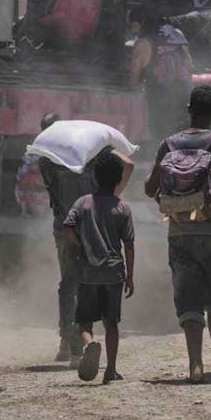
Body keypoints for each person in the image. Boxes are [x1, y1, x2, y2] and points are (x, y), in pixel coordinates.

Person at [144, 86, 211, 383]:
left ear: (189, 109)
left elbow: (151, 189)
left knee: (187, 296)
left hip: (179, 232)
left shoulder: (168, 144)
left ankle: (195, 365)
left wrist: (176, 203)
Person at [38, 113, 135, 365]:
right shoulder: (89, 156)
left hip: (64, 228)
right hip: (94, 225)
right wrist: (113, 196)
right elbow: (128, 163)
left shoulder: (45, 162)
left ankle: (68, 343)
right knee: (87, 283)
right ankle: (79, 343)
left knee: (68, 283)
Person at [63, 151, 136, 385]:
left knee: (83, 322)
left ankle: (88, 343)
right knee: (111, 323)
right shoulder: (122, 208)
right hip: (114, 272)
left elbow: (68, 227)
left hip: (88, 271)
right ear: (118, 181)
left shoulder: (82, 203)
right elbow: (129, 244)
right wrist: (130, 277)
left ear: (94, 178)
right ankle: (111, 370)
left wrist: (82, 243)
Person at [129, 6, 194, 143]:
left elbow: (134, 80)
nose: (134, 30)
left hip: (160, 102)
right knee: (183, 142)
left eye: (135, 26)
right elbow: (189, 66)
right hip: (185, 99)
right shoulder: (178, 33)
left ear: (142, 23)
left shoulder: (142, 44)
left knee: (161, 142)